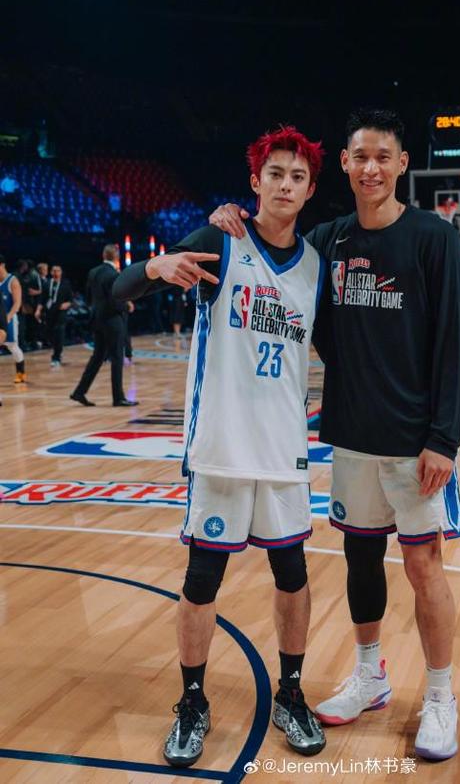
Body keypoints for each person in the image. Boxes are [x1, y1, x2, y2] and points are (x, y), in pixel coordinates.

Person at [210, 108, 460, 761]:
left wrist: (444, 438)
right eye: (360, 157)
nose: (371, 168)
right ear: (347, 165)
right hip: (352, 434)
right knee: (360, 559)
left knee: (424, 565)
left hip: (416, 441)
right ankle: (369, 675)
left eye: (383, 156)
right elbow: (275, 247)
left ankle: (441, 696)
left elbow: (454, 344)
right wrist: (230, 216)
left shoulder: (433, 239)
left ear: (402, 164)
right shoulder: (328, 240)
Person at [113, 126, 328, 766]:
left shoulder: (316, 265)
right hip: (221, 447)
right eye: (275, 174)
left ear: (310, 190)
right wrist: (154, 266)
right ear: (255, 181)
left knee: (293, 573)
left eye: (297, 177)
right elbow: (121, 292)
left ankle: (291, 693)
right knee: (202, 579)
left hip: (283, 452)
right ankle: (192, 702)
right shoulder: (220, 239)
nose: (285, 185)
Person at [70, 245, 138, 407]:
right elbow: (115, 299)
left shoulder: (93, 272)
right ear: (117, 256)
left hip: (97, 319)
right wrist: (127, 306)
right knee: (117, 358)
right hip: (112, 320)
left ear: (103, 255)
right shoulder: (114, 274)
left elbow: (88, 296)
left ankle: (79, 392)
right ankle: (118, 397)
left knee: (97, 357)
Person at [35, 265, 73, 367]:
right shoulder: (47, 284)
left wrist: (67, 304)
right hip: (49, 312)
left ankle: (56, 356)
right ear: (51, 272)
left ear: (61, 272)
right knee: (49, 333)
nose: (56, 273)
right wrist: (38, 310)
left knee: (59, 333)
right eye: (54, 271)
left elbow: (70, 299)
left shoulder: (66, 284)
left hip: (60, 313)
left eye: (58, 271)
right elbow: (42, 299)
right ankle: (56, 350)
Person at [0, 255, 28, 383]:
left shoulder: (12, 281)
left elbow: (17, 303)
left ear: (2, 265)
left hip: (9, 319)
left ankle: (20, 372)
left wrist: (8, 318)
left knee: (12, 346)